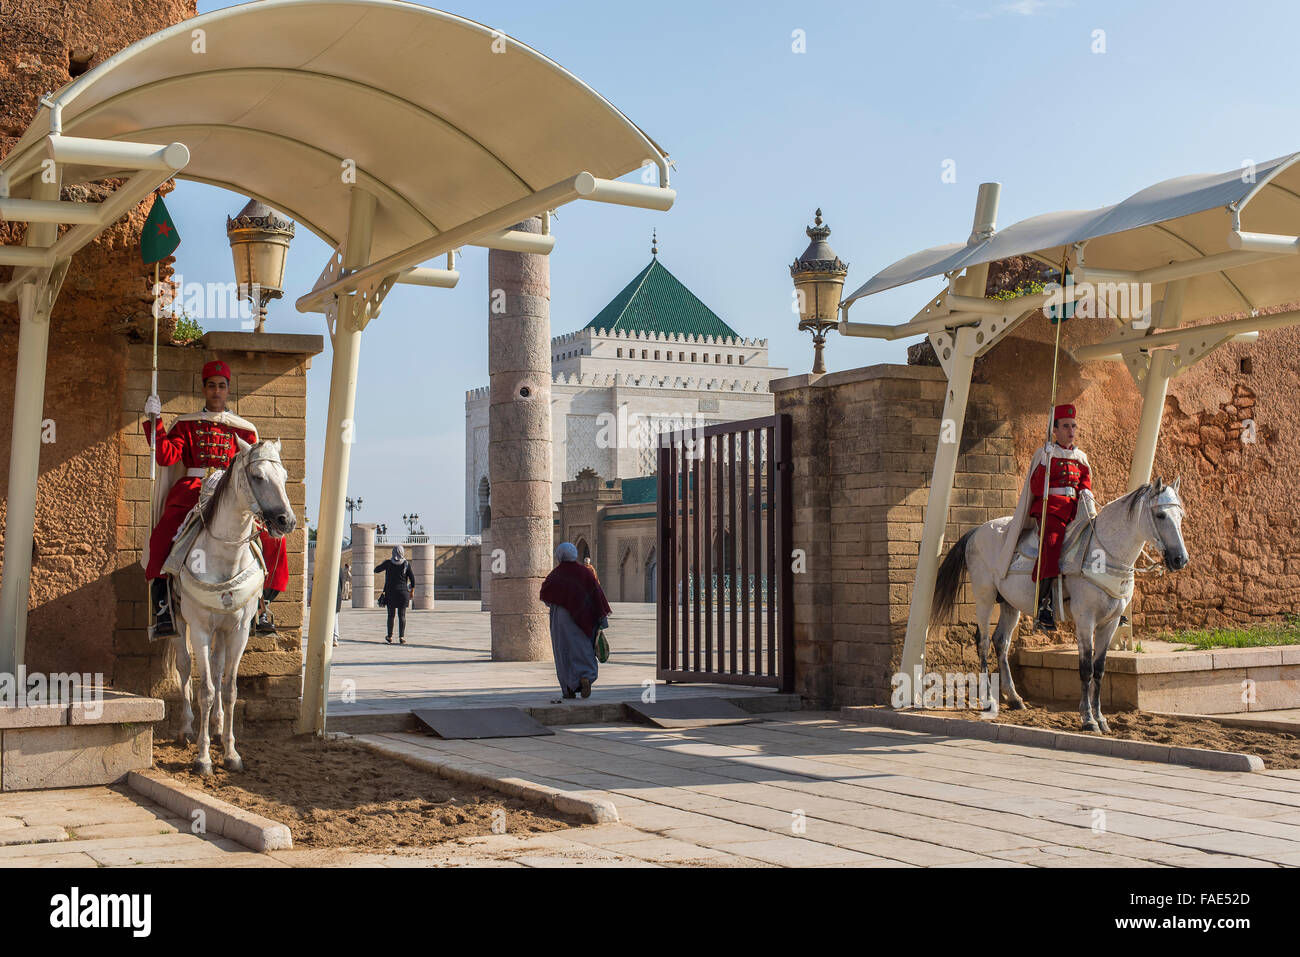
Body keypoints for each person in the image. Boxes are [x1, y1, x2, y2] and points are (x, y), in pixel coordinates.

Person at [142, 360, 289, 639]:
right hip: (194, 489)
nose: (217, 391)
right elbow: (166, 456)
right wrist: (156, 422)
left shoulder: (244, 430)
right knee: (162, 535)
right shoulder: (187, 424)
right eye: (212, 386)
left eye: (222, 386)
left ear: (228, 389)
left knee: (273, 536)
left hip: (231, 491)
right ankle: (162, 606)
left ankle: (264, 604)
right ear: (204, 389)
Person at [996, 402, 1096, 632]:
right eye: (1066, 426)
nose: (1071, 431)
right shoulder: (1045, 454)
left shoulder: (1080, 457)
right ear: (1055, 430)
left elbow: (1084, 483)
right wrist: (1044, 463)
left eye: (1074, 426)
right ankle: (1044, 605)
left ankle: (1101, 599)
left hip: (1074, 510)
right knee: (1051, 543)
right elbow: (1037, 487)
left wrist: (1087, 494)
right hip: (1051, 510)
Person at [540, 542, 611, 699]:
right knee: (583, 648)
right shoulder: (585, 573)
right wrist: (601, 620)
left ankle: (569, 688)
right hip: (585, 617)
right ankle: (585, 676)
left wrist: (561, 601)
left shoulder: (556, 575)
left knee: (564, 650)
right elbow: (597, 595)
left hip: (562, 618)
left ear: (560, 555)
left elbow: (545, 595)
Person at [375, 545, 416, 643]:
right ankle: (401, 637)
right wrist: (412, 592)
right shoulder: (406, 564)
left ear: (393, 552)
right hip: (403, 593)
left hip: (391, 593)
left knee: (391, 615)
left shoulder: (388, 563)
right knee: (402, 615)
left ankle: (389, 636)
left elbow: (376, 570)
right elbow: (413, 580)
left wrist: (384, 564)